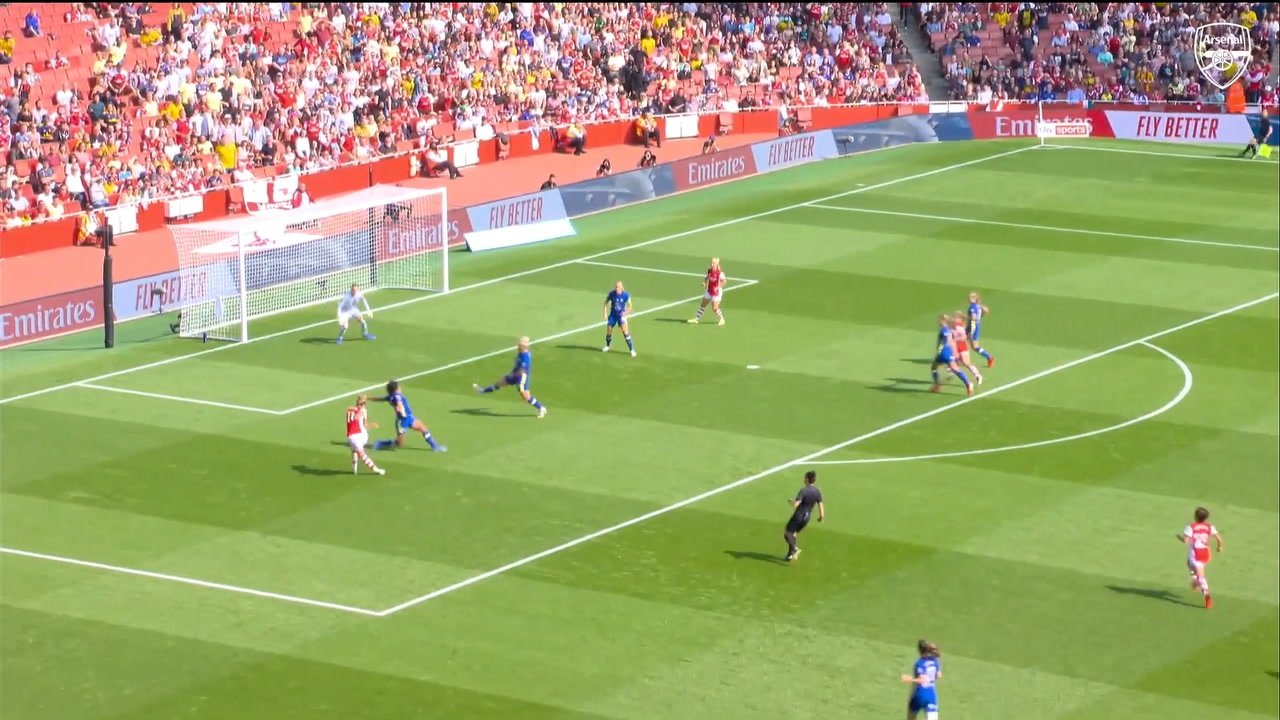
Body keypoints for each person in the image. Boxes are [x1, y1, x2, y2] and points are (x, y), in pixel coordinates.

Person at [473, 336, 548, 418]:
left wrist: (513, 376)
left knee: (526, 396)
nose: (518, 346)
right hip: (515, 374)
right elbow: (517, 366)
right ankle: (482, 391)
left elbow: (522, 370)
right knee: (499, 383)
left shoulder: (526, 356)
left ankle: (541, 408)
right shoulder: (520, 353)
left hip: (521, 377)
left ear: (524, 346)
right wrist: (511, 374)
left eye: (520, 345)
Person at [372, 381, 447, 451]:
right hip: (403, 421)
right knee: (399, 444)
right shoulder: (397, 396)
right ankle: (381, 443)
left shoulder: (391, 396)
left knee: (423, 428)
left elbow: (380, 399)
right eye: (399, 386)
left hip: (409, 418)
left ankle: (435, 446)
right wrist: (400, 407)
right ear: (396, 388)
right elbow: (399, 403)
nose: (400, 388)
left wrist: (368, 397)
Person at [1179, 506, 1223, 609]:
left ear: (1195, 516)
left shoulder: (1191, 527)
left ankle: (1207, 596)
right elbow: (1219, 539)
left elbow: (1185, 541)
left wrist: (1179, 537)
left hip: (1195, 554)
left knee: (1200, 575)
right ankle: (1195, 580)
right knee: (1188, 564)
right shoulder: (1209, 527)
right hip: (1205, 553)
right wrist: (1219, 547)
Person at [784, 470, 824, 562]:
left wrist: (791, 501)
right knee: (794, 534)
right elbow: (820, 504)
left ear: (807, 479)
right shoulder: (817, 491)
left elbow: (796, 504)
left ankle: (794, 549)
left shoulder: (804, 490)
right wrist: (821, 516)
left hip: (799, 515)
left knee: (787, 533)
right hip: (807, 517)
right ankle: (790, 554)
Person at [930, 314, 974, 395]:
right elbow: (952, 342)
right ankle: (968, 383)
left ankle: (937, 386)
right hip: (949, 352)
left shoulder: (944, 330)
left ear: (943, 321)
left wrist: (939, 351)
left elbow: (944, 341)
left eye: (939, 320)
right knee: (955, 369)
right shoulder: (949, 330)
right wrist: (955, 353)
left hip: (943, 352)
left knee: (934, 368)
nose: (938, 322)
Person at [900, 640, 942, 720]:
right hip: (931, 695)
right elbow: (939, 675)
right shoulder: (935, 661)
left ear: (919, 650)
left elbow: (922, 680)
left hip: (918, 695)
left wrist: (910, 679)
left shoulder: (919, 663)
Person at [345, 395, 386, 475]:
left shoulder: (350, 409)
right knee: (362, 454)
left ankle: (354, 468)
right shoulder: (360, 411)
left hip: (353, 435)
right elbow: (359, 420)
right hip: (355, 435)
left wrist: (371, 425)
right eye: (363, 403)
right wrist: (372, 425)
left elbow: (362, 423)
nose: (364, 405)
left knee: (355, 450)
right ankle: (376, 469)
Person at [688, 257, 727, 325]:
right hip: (709, 290)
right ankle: (696, 319)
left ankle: (722, 319)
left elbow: (724, 281)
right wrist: (704, 283)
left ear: (716, 264)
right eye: (711, 263)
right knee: (703, 304)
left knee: (714, 308)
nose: (711, 264)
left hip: (717, 292)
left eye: (713, 263)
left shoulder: (720, 273)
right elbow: (706, 278)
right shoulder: (709, 271)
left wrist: (718, 287)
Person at [603, 280, 636, 356]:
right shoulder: (612, 294)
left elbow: (630, 306)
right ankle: (607, 346)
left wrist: (626, 313)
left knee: (625, 332)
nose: (616, 289)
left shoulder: (626, 295)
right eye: (616, 287)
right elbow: (605, 302)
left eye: (618, 287)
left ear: (621, 288)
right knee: (609, 330)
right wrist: (604, 312)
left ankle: (632, 350)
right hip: (613, 316)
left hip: (621, 316)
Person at [950, 311, 982, 384]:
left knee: (966, 362)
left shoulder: (960, 326)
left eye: (957, 317)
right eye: (954, 317)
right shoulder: (952, 325)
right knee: (953, 362)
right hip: (954, 346)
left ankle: (977, 375)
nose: (954, 318)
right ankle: (951, 374)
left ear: (960, 319)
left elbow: (961, 335)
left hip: (961, 344)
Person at [965, 292, 995, 368]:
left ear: (975, 299)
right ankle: (963, 359)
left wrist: (964, 317)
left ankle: (989, 357)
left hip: (973, 327)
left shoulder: (973, 306)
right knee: (963, 342)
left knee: (974, 346)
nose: (968, 299)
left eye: (971, 297)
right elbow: (986, 311)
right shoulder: (978, 306)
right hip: (974, 326)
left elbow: (973, 318)